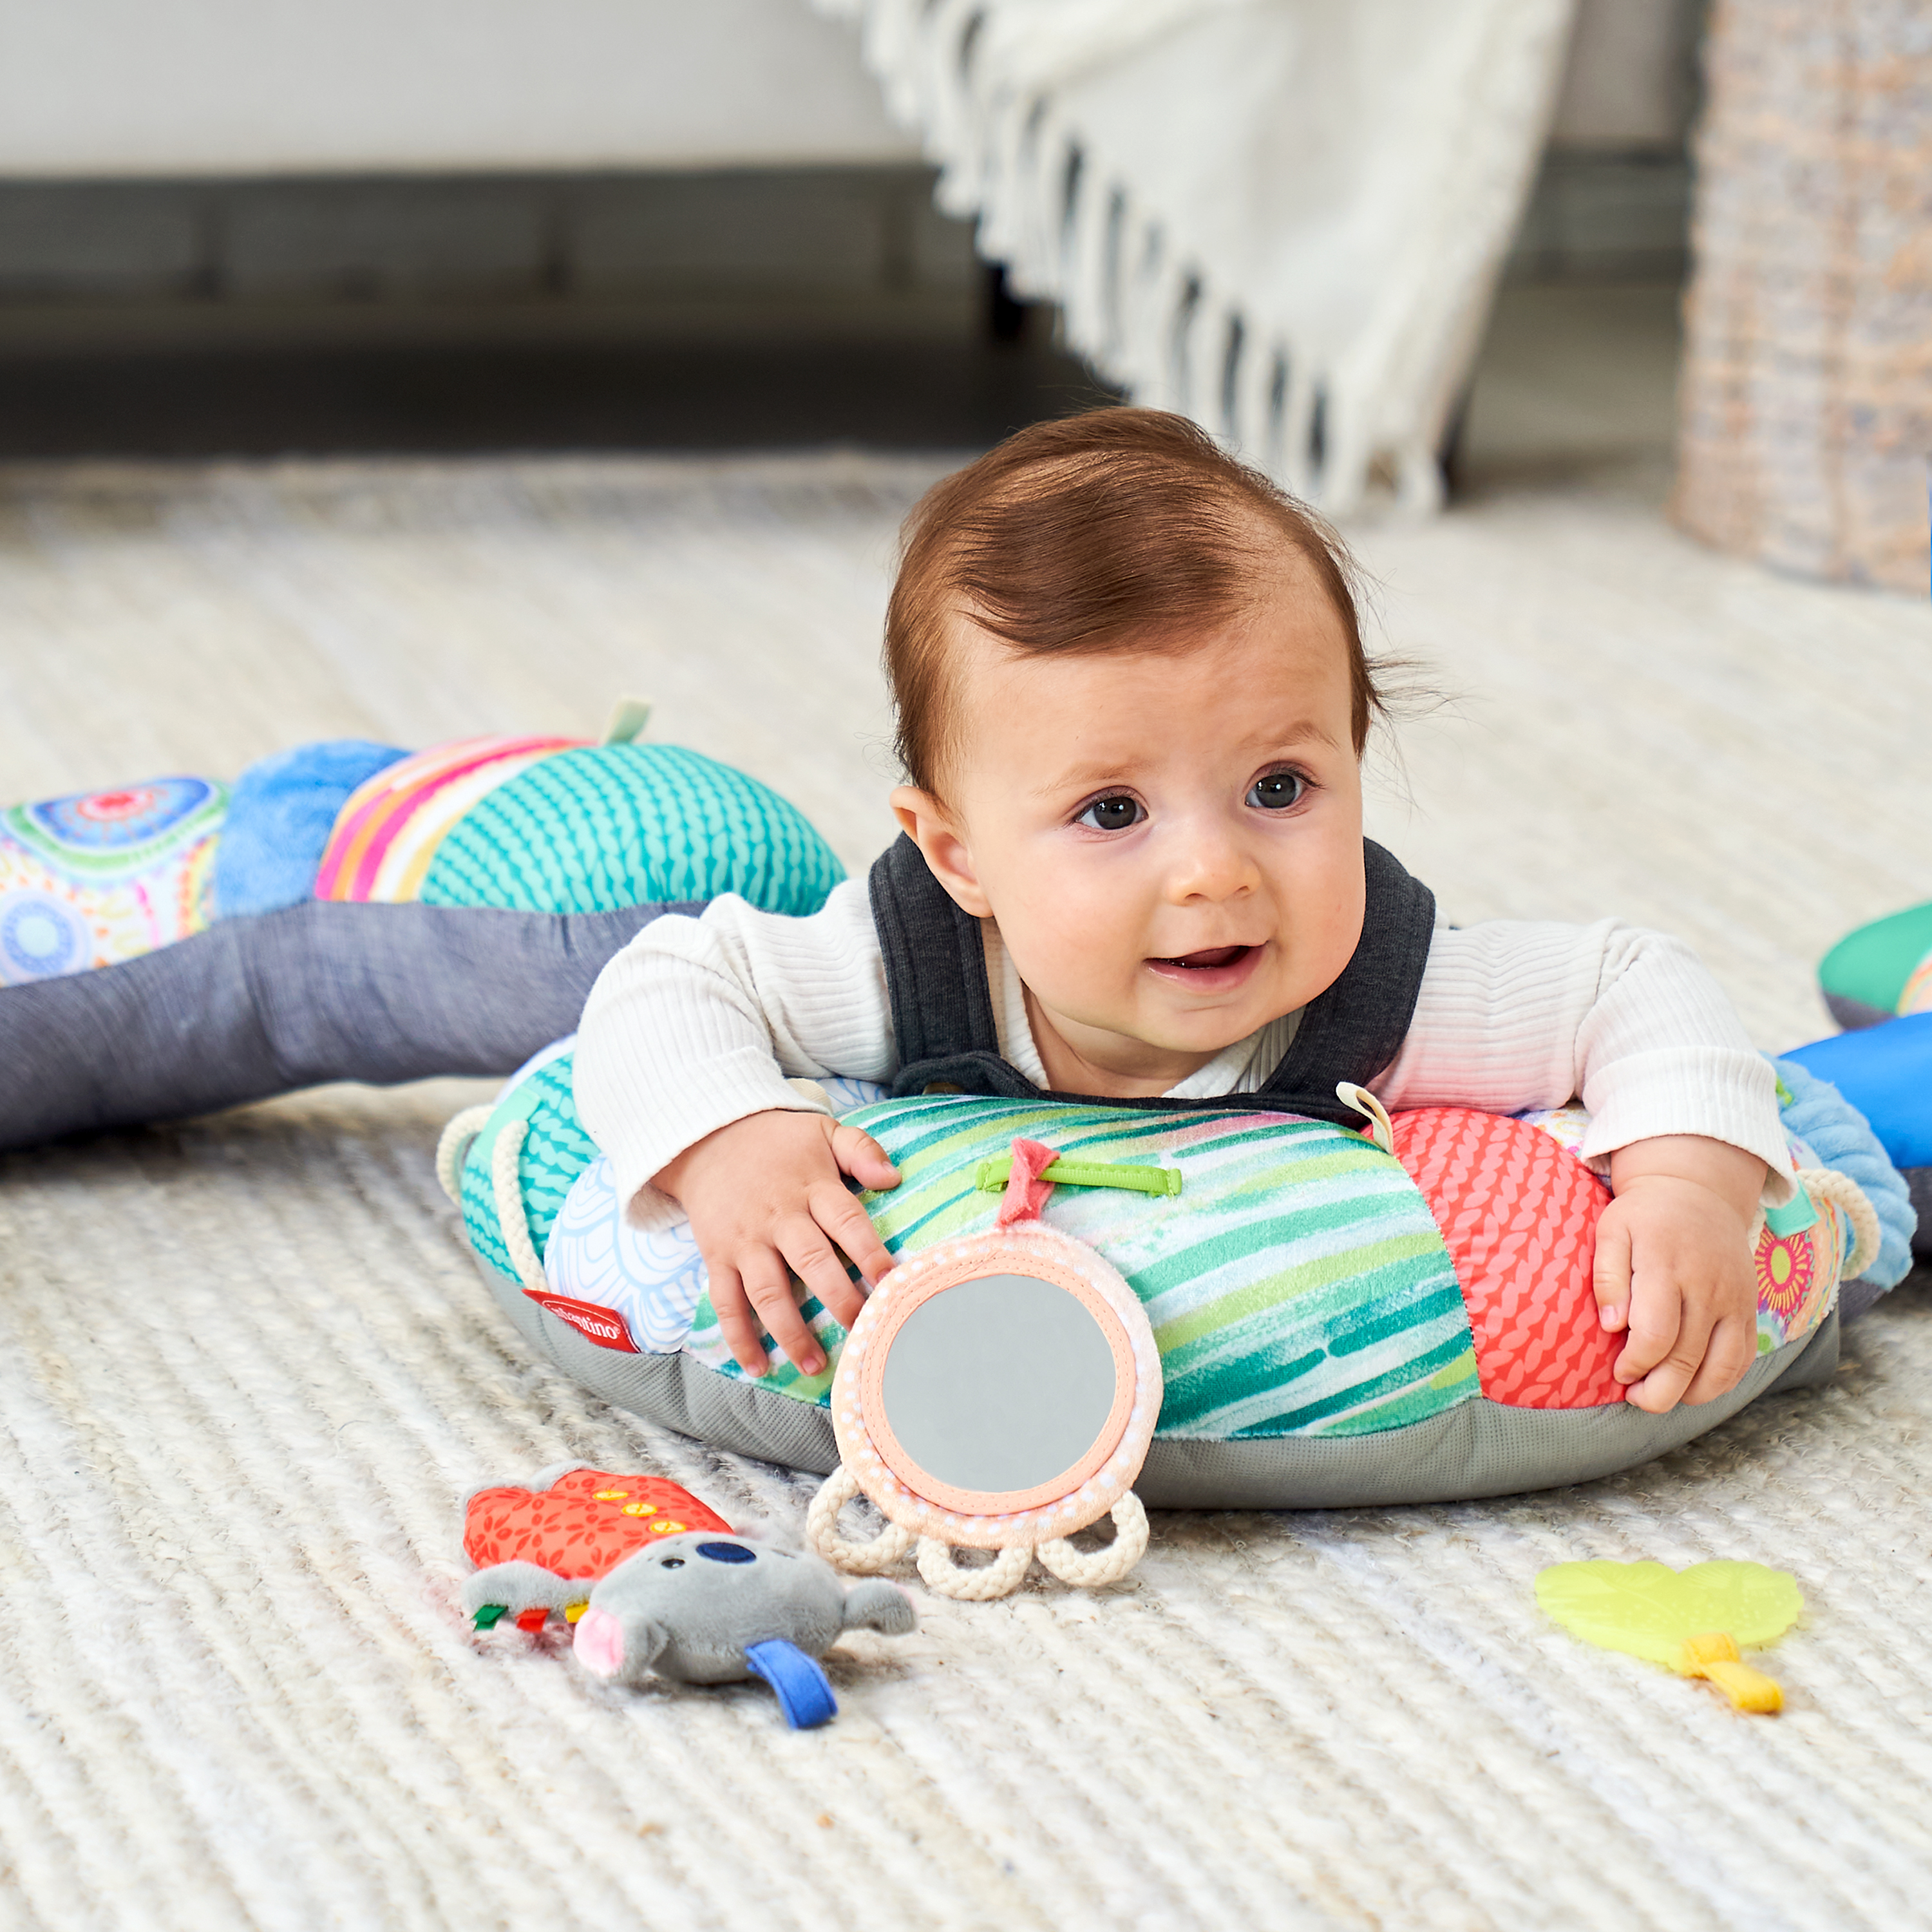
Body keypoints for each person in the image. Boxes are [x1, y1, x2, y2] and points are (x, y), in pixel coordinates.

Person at [574, 408, 1793, 1416]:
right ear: (960, 856)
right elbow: (668, 984)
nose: (1215, 872)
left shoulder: (1381, 984)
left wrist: (1690, 1185)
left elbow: (1632, 981)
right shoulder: (910, 961)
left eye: (1280, 788)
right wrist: (732, 1142)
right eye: (1112, 812)